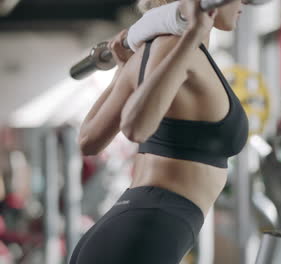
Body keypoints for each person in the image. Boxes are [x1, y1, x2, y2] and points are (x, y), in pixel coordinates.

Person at [70, 0, 249, 263]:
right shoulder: (177, 47)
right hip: (145, 235)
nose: (242, 2)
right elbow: (136, 128)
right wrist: (191, 39)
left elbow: (87, 142)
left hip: (131, 227)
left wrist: (122, 70)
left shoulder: (148, 54)